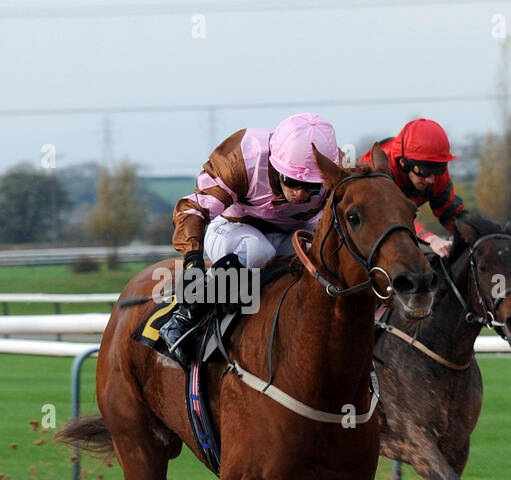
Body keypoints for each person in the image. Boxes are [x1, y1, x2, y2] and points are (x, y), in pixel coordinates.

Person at [160, 112, 340, 365]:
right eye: (291, 181)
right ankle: (184, 315)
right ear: (276, 167)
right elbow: (193, 209)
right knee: (257, 249)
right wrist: (192, 258)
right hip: (233, 228)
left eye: (311, 187)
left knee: (323, 254)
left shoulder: (336, 170)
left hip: (293, 234)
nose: (299, 195)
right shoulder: (244, 155)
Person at [360, 118, 466, 259]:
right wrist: (431, 239)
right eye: (424, 171)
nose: (431, 179)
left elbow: (451, 213)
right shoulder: (379, 169)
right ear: (404, 163)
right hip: (369, 225)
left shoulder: (433, 171)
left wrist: (479, 233)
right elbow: (393, 216)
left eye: (438, 170)